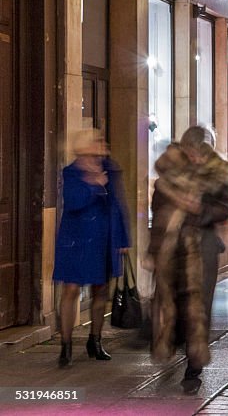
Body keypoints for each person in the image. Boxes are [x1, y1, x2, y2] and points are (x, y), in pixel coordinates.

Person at [150, 126, 228, 392]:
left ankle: (193, 366)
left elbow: (226, 208)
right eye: (191, 153)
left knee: (199, 306)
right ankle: (172, 340)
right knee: (170, 301)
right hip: (171, 245)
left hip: (203, 246)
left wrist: (200, 211)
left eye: (200, 154)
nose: (196, 159)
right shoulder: (170, 172)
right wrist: (151, 253)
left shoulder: (218, 173)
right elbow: (158, 210)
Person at [53, 129, 131, 368]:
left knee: (101, 291)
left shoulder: (110, 168)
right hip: (76, 239)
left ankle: (95, 341)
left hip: (103, 239)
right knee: (71, 290)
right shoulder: (71, 172)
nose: (103, 144)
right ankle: (66, 345)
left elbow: (119, 204)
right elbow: (73, 202)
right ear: (85, 146)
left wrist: (124, 240)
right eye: (97, 141)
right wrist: (94, 185)